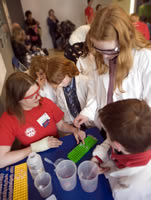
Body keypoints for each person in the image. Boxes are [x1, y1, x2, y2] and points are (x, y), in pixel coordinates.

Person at [74, 4, 151, 129]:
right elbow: (94, 90)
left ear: (125, 41)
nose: (105, 56)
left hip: (131, 132)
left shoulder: (145, 58)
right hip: (107, 127)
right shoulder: (100, 56)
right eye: (99, 49)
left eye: (110, 51)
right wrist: (87, 112)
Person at [0, 72, 85, 168]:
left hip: (55, 150)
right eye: (32, 96)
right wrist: (34, 148)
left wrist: (74, 130)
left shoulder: (46, 103)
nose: (39, 97)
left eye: (37, 92)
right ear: (18, 100)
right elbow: (1, 160)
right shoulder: (8, 120)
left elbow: (60, 125)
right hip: (33, 158)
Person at [91, 99, 151, 199]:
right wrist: (97, 158)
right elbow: (111, 140)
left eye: (107, 133)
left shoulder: (131, 189)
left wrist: (110, 170)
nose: (107, 136)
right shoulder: (141, 135)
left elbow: (117, 193)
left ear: (117, 145)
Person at [45, 56, 97, 129]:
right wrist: (70, 124)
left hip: (91, 122)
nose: (60, 85)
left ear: (68, 71)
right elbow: (65, 110)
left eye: (60, 81)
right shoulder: (60, 89)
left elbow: (92, 104)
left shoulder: (86, 82)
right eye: (57, 83)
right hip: (77, 124)